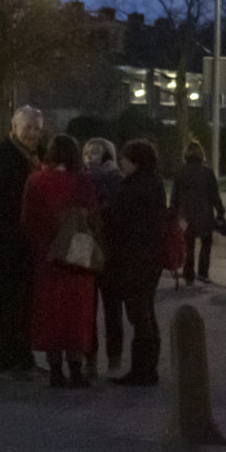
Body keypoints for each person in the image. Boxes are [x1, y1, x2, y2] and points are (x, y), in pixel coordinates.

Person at [22, 134, 100, 387]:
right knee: (77, 313)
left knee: (50, 313)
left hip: (47, 257)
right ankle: (76, 368)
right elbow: (94, 219)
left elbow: (28, 221)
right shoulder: (83, 182)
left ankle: (55, 369)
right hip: (77, 256)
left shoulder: (36, 181)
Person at [108, 140, 170, 385]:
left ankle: (141, 369)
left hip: (135, 257)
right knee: (146, 311)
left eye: (125, 158)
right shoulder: (154, 183)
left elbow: (120, 220)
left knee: (138, 313)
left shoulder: (133, 187)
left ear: (135, 160)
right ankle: (147, 367)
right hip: (150, 257)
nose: (121, 162)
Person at [0, 106, 44, 376]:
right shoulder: (4, 153)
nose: (33, 133)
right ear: (14, 127)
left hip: (28, 241)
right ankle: (9, 358)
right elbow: (8, 190)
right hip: (12, 240)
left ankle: (23, 355)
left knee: (25, 303)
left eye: (37, 128)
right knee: (11, 303)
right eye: (28, 128)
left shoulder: (37, 154)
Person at [83, 137, 125, 374]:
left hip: (110, 252)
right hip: (87, 251)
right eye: (87, 153)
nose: (89, 157)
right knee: (88, 309)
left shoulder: (116, 180)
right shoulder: (81, 180)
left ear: (108, 155)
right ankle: (90, 358)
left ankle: (114, 359)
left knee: (112, 309)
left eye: (95, 153)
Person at [173, 142, 223, 285]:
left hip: (186, 215)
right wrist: (220, 211)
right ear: (201, 154)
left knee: (188, 245)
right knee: (206, 243)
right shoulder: (207, 172)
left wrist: (175, 214)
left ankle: (189, 273)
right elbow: (214, 195)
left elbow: (175, 196)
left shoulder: (181, 172)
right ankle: (203, 272)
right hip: (204, 213)